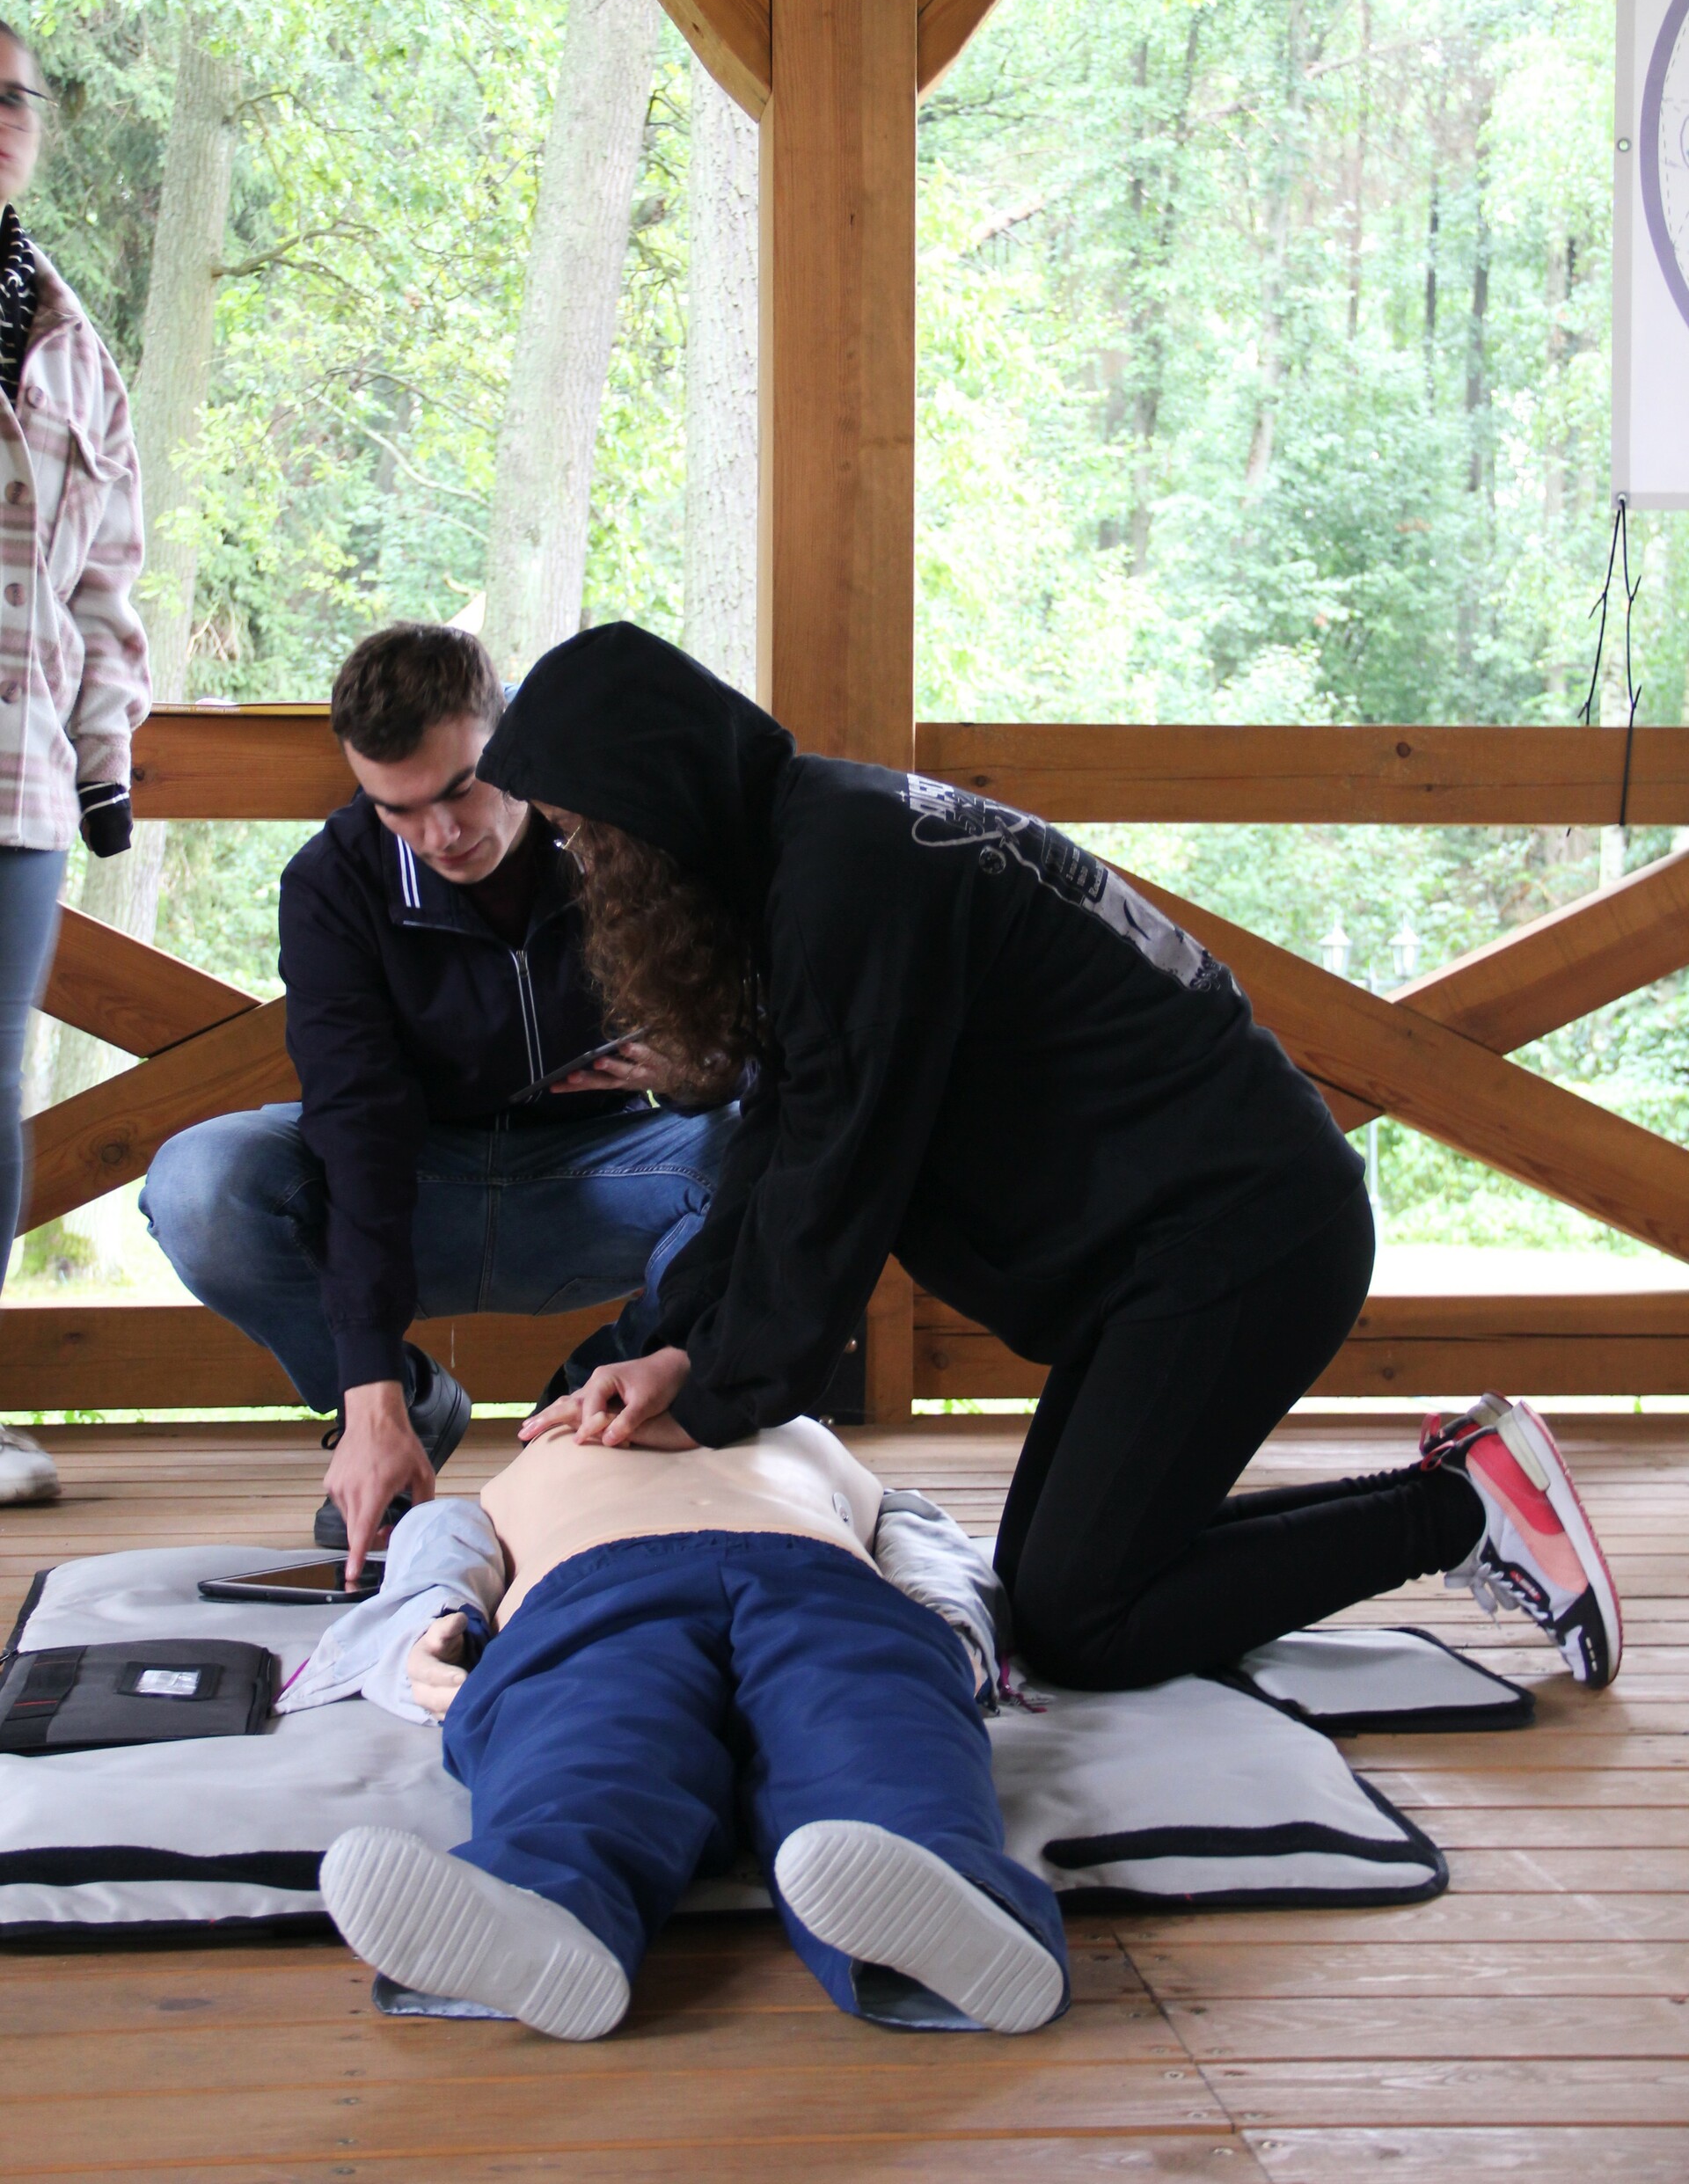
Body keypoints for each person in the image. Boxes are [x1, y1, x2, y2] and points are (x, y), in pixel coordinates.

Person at [471, 624, 1624, 1696]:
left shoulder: (845, 882)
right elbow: (784, 1134)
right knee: (1059, 1588)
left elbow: (838, 1174)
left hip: (1240, 1242)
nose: (583, 871)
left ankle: (1460, 1514)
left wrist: (718, 1390)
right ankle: (1464, 1482)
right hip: (1183, 1243)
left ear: (654, 798)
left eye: (584, 836)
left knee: (1082, 1622)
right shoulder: (817, 843)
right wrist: (670, 1350)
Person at [141, 624, 735, 1568]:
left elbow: (773, 1053)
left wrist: (701, 1064)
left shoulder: (624, 827)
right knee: (199, 1184)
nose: (441, 835)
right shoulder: (332, 884)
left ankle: (589, 1408)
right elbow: (358, 1130)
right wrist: (367, 1389)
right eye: (399, 810)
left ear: (508, 738)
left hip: (606, 1179)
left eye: (460, 789)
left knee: (764, 1148)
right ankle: (405, 1412)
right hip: (422, 1189)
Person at [307, 1408, 1069, 2041]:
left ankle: (949, 1902)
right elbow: (436, 1542)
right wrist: (434, 1625)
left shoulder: (795, 1425)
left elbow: (925, 1538)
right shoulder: (537, 1456)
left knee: (873, 1716)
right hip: (597, 1587)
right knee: (587, 1731)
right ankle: (538, 1906)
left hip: (814, 1574)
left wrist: (954, 1633)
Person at [0, 19, 150, 1513]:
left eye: (14, 97)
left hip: (19, 790)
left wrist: (105, 763)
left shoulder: (70, 345)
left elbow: (107, 582)